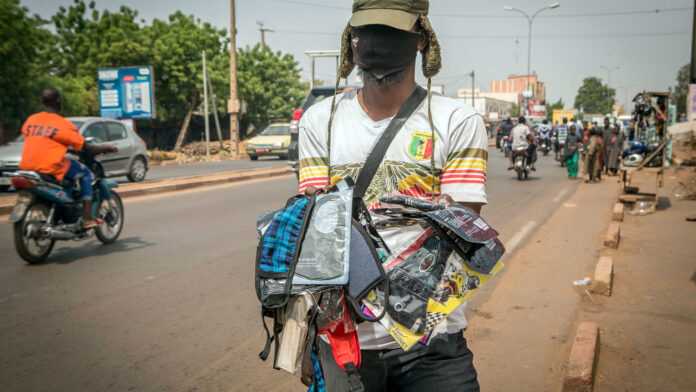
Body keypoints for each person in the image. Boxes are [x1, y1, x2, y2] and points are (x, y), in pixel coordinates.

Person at [298, 1, 484, 390]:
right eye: (368, 31)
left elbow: (462, 233)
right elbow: (317, 225)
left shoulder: (457, 121)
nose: (378, 43)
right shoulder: (321, 119)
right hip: (346, 342)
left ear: (421, 40)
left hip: (432, 344)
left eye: (393, 32)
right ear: (351, 40)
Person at [19, 88, 116, 228]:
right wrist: (106, 147)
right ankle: (87, 218)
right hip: (50, 166)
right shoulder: (63, 124)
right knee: (86, 174)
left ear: (42, 102)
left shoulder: (31, 120)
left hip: (27, 166)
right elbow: (85, 147)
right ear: (58, 101)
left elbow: (43, 138)